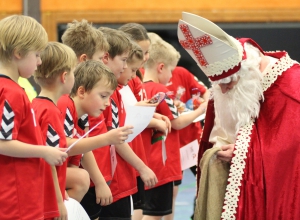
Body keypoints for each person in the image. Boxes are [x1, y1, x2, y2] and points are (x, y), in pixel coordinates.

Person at [178, 12, 300, 220]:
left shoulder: (291, 87)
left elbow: (290, 152)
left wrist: (245, 152)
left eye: (228, 84)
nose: (223, 91)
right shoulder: (230, 85)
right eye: (219, 84)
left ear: (247, 73)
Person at [0, 15, 68, 219]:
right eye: (37, 55)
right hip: (16, 198)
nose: (39, 62)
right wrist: (44, 151)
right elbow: (2, 142)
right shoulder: (10, 92)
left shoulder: (13, 89)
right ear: (18, 53)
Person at [88, 27, 158, 220]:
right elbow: (87, 142)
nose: (129, 69)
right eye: (125, 61)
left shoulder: (115, 91)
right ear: (106, 58)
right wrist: (141, 167)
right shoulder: (101, 95)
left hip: (114, 177)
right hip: (108, 179)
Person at [141, 35, 207, 220]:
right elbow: (177, 122)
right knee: (154, 214)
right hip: (161, 164)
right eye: (170, 71)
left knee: (152, 211)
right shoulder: (160, 91)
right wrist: (201, 110)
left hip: (148, 160)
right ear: (161, 67)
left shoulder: (140, 88)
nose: (172, 76)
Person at [32, 42, 77, 220]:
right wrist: (57, 200)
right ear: (65, 76)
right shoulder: (49, 111)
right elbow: (48, 161)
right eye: (74, 72)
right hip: (48, 199)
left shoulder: (37, 105)